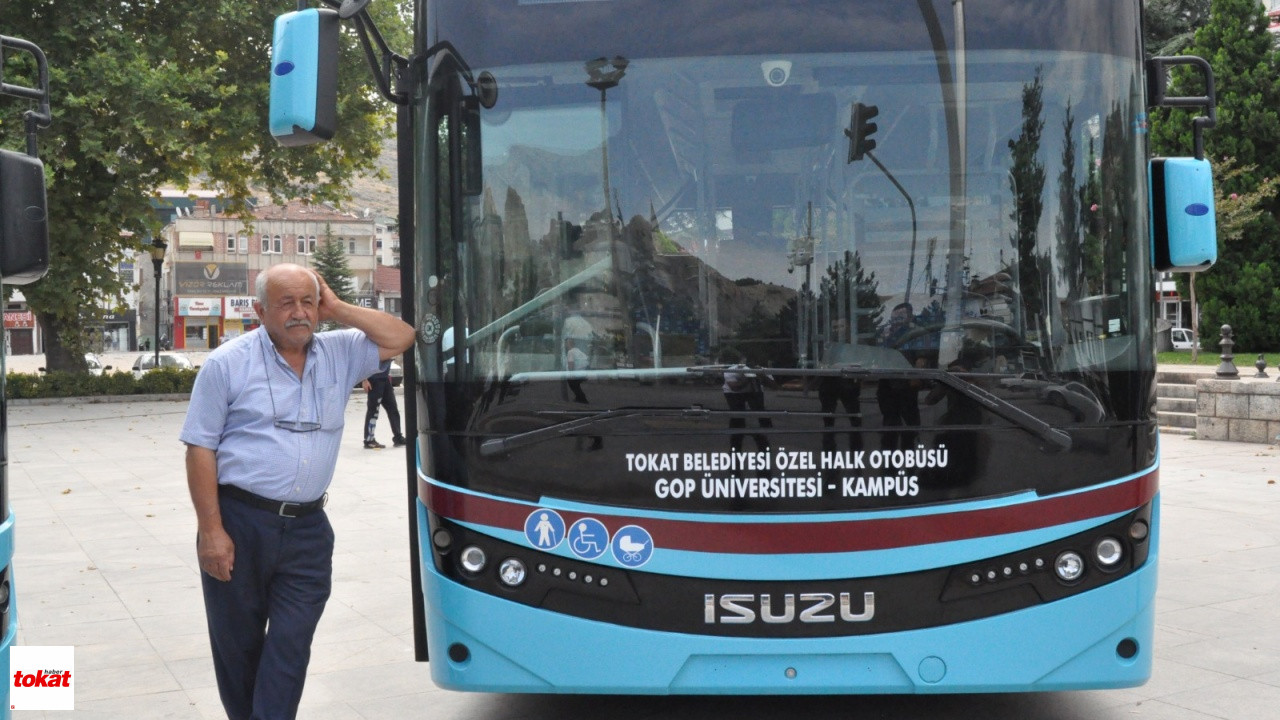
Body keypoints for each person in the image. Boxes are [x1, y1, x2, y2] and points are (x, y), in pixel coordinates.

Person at [179, 263, 414, 720]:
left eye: (308, 302)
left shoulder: (341, 351)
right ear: (260, 310)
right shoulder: (227, 363)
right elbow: (200, 448)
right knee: (239, 649)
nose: (299, 313)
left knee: (291, 643)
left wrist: (339, 307)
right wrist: (211, 530)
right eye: (286, 303)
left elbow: (401, 337)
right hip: (240, 523)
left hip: (307, 530)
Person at [361, 358, 405, 449]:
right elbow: (362, 360)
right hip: (374, 380)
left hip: (385, 379)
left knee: (393, 409)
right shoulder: (371, 344)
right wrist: (364, 380)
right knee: (373, 411)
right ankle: (369, 440)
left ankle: (398, 437)